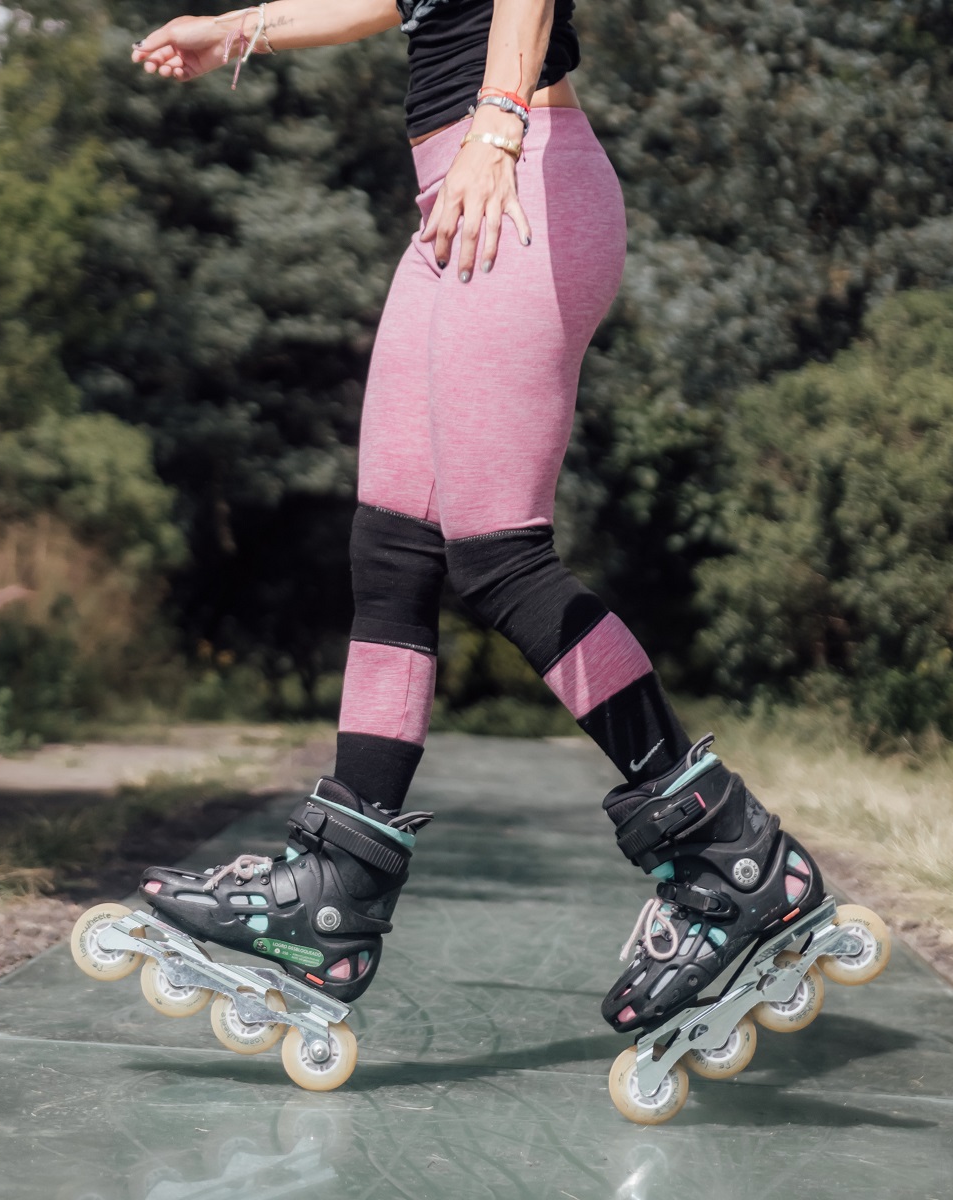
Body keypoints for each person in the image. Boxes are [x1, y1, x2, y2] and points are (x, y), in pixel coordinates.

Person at [123, 0, 848, 1088]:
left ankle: (731, 851)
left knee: (496, 552)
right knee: (392, 548)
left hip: (519, 174)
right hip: (461, 185)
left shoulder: (507, 136)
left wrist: (496, 125)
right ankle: (337, 890)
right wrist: (239, 29)